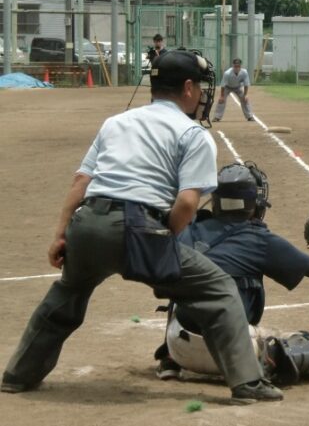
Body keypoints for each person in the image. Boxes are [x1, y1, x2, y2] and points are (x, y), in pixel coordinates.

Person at [1, 50, 283, 404]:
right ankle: (246, 383)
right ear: (187, 88)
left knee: (67, 295)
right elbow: (185, 204)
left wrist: (61, 234)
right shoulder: (193, 134)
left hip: (86, 224)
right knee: (218, 290)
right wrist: (165, 240)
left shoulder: (116, 122)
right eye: (199, 87)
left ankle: (17, 375)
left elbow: (80, 182)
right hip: (140, 228)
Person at [154, 161, 309, 385]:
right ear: (253, 204)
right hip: (234, 353)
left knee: (188, 281)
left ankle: (168, 361)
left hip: (180, 347)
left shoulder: (189, 226)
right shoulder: (260, 239)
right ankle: (268, 362)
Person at [213, 58, 254, 122]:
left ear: (240, 66)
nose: (237, 68)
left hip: (237, 87)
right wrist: (222, 96)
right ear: (233, 66)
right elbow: (223, 85)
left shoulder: (244, 72)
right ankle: (217, 117)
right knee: (221, 101)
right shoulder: (227, 73)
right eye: (235, 66)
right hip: (227, 87)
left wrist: (245, 95)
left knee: (245, 99)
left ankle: (250, 116)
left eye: (238, 66)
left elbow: (246, 84)